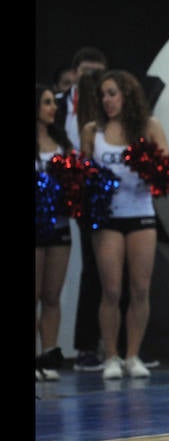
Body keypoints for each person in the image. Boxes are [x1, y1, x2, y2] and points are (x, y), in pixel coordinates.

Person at [80, 69, 169, 380]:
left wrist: (151, 166)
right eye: (103, 95)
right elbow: (84, 173)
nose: (107, 100)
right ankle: (111, 357)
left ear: (127, 95)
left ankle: (132, 355)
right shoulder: (93, 130)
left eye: (112, 93)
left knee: (140, 289)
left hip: (141, 214)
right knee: (111, 290)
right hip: (108, 219)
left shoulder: (149, 127)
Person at [54, 46, 109, 373]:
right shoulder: (55, 105)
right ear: (74, 74)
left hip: (96, 192)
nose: (93, 80)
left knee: (97, 267)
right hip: (58, 191)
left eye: (98, 73)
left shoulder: (109, 104)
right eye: (87, 73)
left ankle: (94, 346)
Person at [35, 83, 74, 381]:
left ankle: (48, 356)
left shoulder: (62, 141)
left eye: (53, 103)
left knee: (52, 295)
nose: (53, 108)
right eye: (47, 102)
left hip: (60, 226)